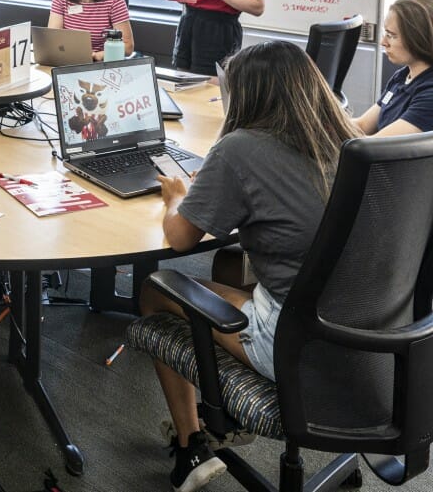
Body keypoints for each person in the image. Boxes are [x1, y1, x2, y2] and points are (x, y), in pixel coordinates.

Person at [140, 40, 358, 492]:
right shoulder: (348, 141)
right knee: (230, 262)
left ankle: (190, 448)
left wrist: (178, 197)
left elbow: (179, 239)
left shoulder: (238, 150)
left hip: (298, 343)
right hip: (374, 336)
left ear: (248, 95)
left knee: (156, 289)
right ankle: (223, 422)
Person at [352, 0, 433, 136]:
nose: (383, 42)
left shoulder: (429, 94)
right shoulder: (402, 76)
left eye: (391, 35)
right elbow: (362, 125)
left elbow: (374, 148)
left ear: (418, 39)